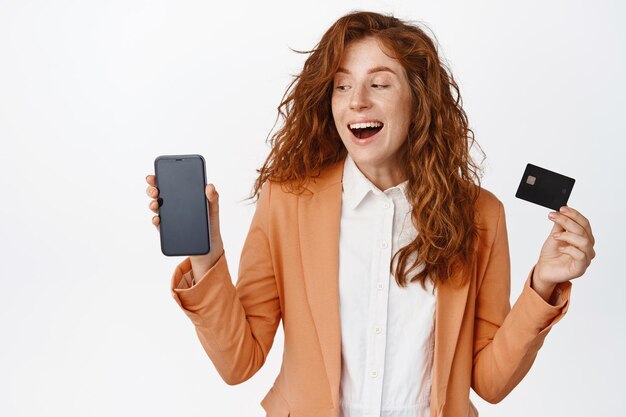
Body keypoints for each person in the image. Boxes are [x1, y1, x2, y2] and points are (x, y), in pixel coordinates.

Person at [145, 11, 595, 417]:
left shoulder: (479, 214)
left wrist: (544, 284)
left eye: (379, 83)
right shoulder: (286, 201)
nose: (357, 100)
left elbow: (490, 383)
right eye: (342, 85)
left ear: (418, 100)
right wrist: (206, 252)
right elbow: (238, 362)